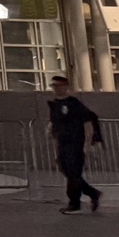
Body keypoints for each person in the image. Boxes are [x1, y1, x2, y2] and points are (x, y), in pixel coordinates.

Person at [47, 75, 104, 213]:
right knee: (67, 170)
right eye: (54, 86)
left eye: (59, 86)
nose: (56, 88)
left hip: (75, 142)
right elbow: (54, 121)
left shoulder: (74, 104)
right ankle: (92, 193)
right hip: (63, 143)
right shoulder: (55, 104)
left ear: (66, 87)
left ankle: (74, 202)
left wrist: (86, 144)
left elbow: (88, 124)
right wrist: (50, 130)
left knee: (73, 173)